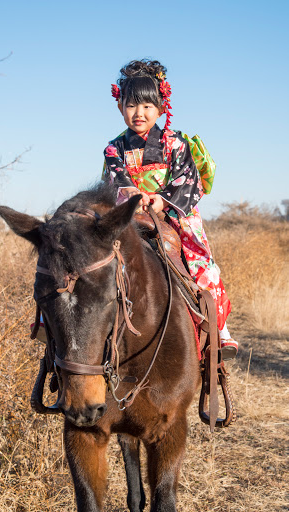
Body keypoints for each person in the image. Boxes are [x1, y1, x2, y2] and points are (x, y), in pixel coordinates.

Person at [102, 59, 238, 360]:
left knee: (200, 263)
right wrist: (135, 197)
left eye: (148, 107)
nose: (139, 113)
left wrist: (161, 200)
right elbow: (116, 182)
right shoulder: (114, 149)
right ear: (120, 107)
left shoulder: (175, 144)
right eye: (131, 105)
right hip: (130, 214)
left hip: (174, 213)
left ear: (161, 108)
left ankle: (219, 329)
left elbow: (186, 182)